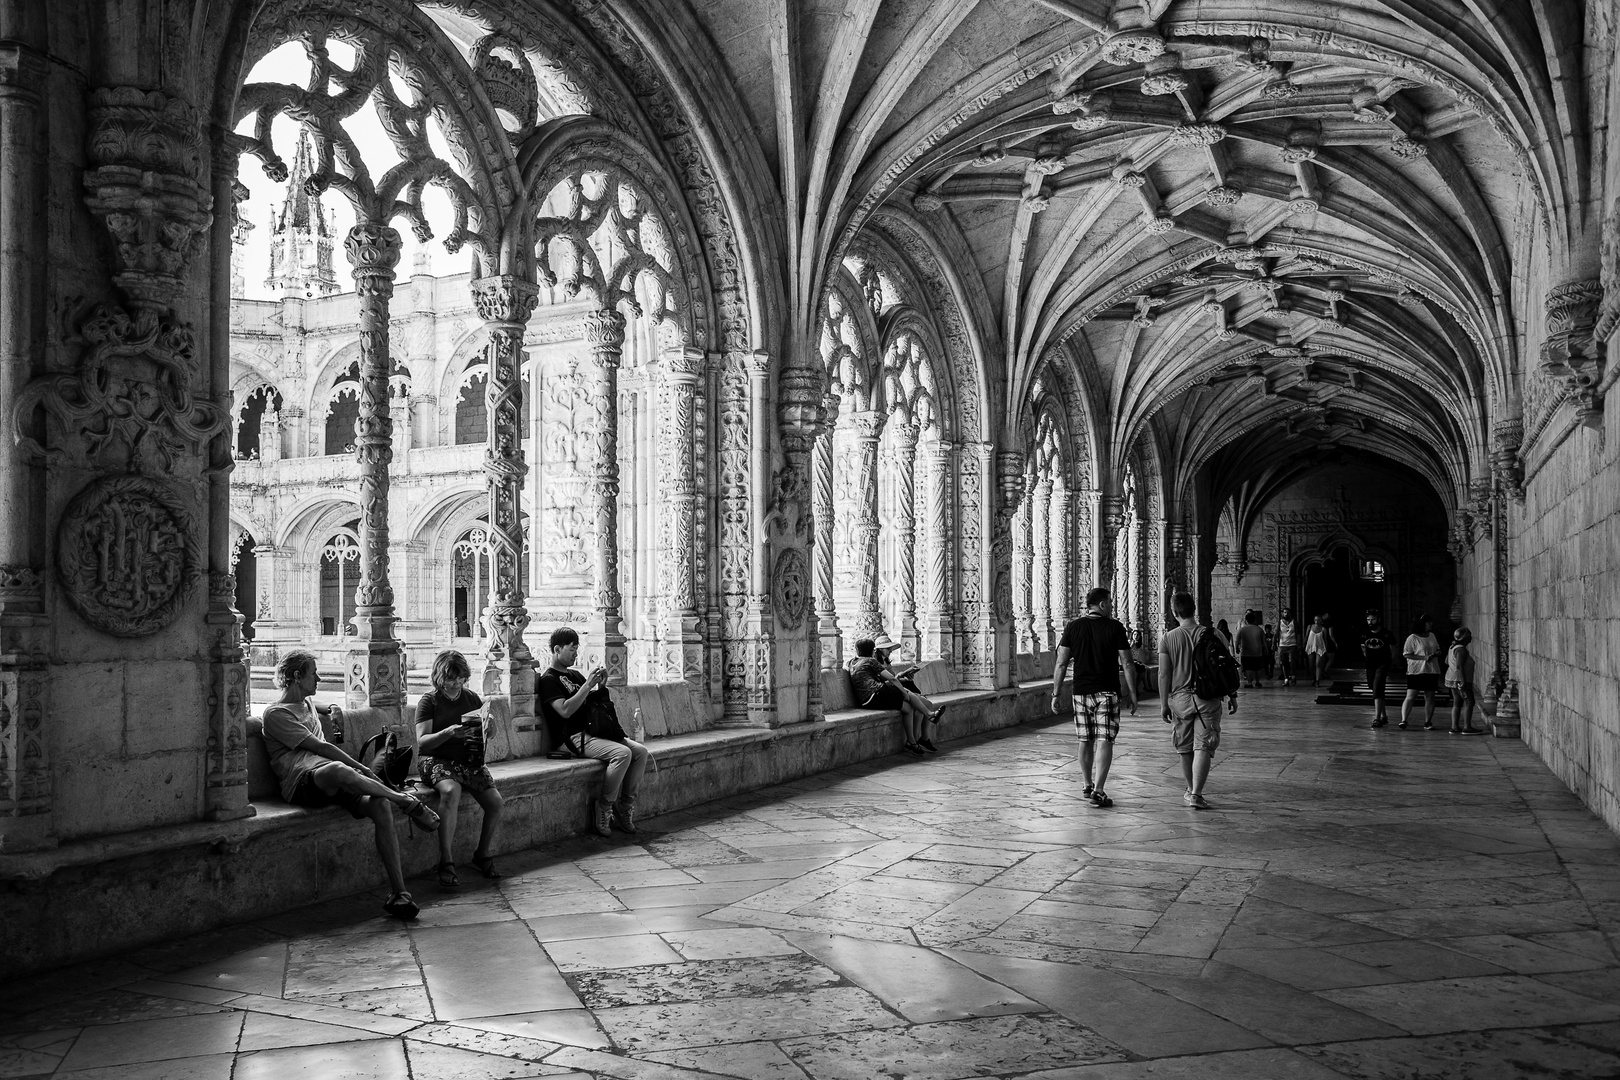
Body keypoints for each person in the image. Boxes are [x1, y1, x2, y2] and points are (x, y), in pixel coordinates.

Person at [261, 651, 441, 920]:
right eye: (314, 673)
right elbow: (320, 747)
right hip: (302, 782)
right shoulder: (274, 714)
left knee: (379, 805)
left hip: (334, 781)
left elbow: (320, 708)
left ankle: (400, 894)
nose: (319, 678)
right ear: (297, 677)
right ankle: (404, 800)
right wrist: (361, 767)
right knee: (338, 769)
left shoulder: (307, 703)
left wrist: (331, 709)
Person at [538, 627, 649, 836]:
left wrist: (599, 687)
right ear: (556, 649)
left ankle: (624, 807)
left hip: (593, 733)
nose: (576, 654)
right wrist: (587, 685)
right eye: (572, 649)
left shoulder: (575, 675)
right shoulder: (549, 680)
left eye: (577, 649)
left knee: (640, 752)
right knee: (622, 754)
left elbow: (590, 706)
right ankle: (605, 807)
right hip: (572, 738)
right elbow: (565, 710)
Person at [415, 649, 505, 886]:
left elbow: (489, 735)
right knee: (451, 791)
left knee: (495, 802)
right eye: (450, 678)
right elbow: (422, 742)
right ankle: (446, 860)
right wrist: (447, 733)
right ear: (439, 677)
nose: (456, 683)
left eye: (460, 678)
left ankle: (482, 854)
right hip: (435, 760)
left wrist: (490, 725)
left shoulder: (472, 698)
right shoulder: (429, 701)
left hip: (467, 760)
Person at [1050, 586, 1138, 808]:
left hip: (1081, 692)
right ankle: (1098, 790)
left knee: (1084, 739)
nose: (1111, 606)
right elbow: (1127, 663)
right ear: (1101, 604)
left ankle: (1087, 784)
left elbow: (1061, 663)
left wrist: (1056, 693)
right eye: (1109, 602)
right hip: (1107, 692)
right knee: (1105, 739)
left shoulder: (1073, 627)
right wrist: (1133, 693)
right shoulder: (1115, 628)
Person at [1159, 592, 1237, 808]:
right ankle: (1196, 793)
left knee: (1184, 747)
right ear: (1194, 610)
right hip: (1209, 698)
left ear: (1175, 613)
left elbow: (1164, 674)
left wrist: (1164, 703)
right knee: (1203, 746)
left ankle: (1189, 788)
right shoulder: (1214, 634)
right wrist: (1232, 694)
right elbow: (1226, 667)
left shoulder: (1168, 638)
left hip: (1181, 700)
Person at [848, 635, 944, 755]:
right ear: (874, 650)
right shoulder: (870, 661)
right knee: (909, 694)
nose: (890, 651)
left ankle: (912, 742)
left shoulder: (851, 662)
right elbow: (892, 679)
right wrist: (904, 692)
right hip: (876, 694)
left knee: (908, 708)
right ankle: (930, 715)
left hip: (865, 699)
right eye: (887, 648)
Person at [1400, 614, 1443, 729]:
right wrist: (1423, 658)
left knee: (1430, 696)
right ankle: (1404, 719)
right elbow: (1407, 654)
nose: (1431, 624)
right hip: (1416, 671)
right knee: (1411, 695)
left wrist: (1438, 652)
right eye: (1428, 622)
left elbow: (1437, 648)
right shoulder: (1412, 638)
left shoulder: (1432, 635)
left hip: (1431, 670)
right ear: (1422, 624)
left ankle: (1428, 722)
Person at [1360, 610, 1399, 728]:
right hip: (1370, 664)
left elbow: (1393, 648)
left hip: (1382, 664)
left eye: (1372, 619)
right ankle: (1384, 716)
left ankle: (1377, 718)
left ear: (1378, 619)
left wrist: (1389, 662)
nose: (1370, 622)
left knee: (1377, 687)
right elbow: (1363, 648)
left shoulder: (1386, 633)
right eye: (1368, 620)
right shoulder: (1365, 633)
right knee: (1375, 688)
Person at [1446, 628, 1484, 734]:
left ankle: (1455, 727)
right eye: (1469, 635)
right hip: (1460, 679)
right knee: (1469, 701)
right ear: (1464, 637)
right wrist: (1463, 681)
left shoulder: (1453, 647)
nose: (1471, 637)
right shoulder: (1461, 649)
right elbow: (1459, 666)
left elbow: (1446, 661)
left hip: (1452, 678)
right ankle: (1467, 727)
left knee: (1457, 702)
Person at [1234, 610, 1268, 688]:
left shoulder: (1242, 629)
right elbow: (1264, 641)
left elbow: (1237, 640)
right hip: (1257, 651)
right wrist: (1266, 649)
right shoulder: (1259, 629)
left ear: (1246, 620)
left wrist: (1237, 648)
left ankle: (1249, 683)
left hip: (1246, 652)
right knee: (1257, 667)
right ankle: (1257, 682)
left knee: (1248, 667)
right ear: (1254, 620)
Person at [1305, 614, 1336, 687]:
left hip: (1320, 647)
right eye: (1315, 620)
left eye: (1318, 620)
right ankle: (1313, 678)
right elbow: (1306, 636)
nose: (1316, 621)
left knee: (1318, 664)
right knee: (1311, 665)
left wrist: (1326, 649)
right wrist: (1303, 644)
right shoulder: (1310, 627)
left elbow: (1325, 640)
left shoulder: (1323, 629)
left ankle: (1317, 680)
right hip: (1310, 646)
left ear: (1321, 621)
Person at [1276, 608, 1300, 686]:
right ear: (1282, 613)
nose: (1286, 614)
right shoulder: (1279, 622)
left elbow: (1298, 633)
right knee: (1283, 662)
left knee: (1292, 662)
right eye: (1285, 612)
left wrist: (1299, 643)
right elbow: (1276, 633)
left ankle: (1293, 676)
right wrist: (1274, 643)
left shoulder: (1294, 622)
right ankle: (1286, 678)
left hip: (1292, 644)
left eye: (1288, 612)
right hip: (1282, 645)